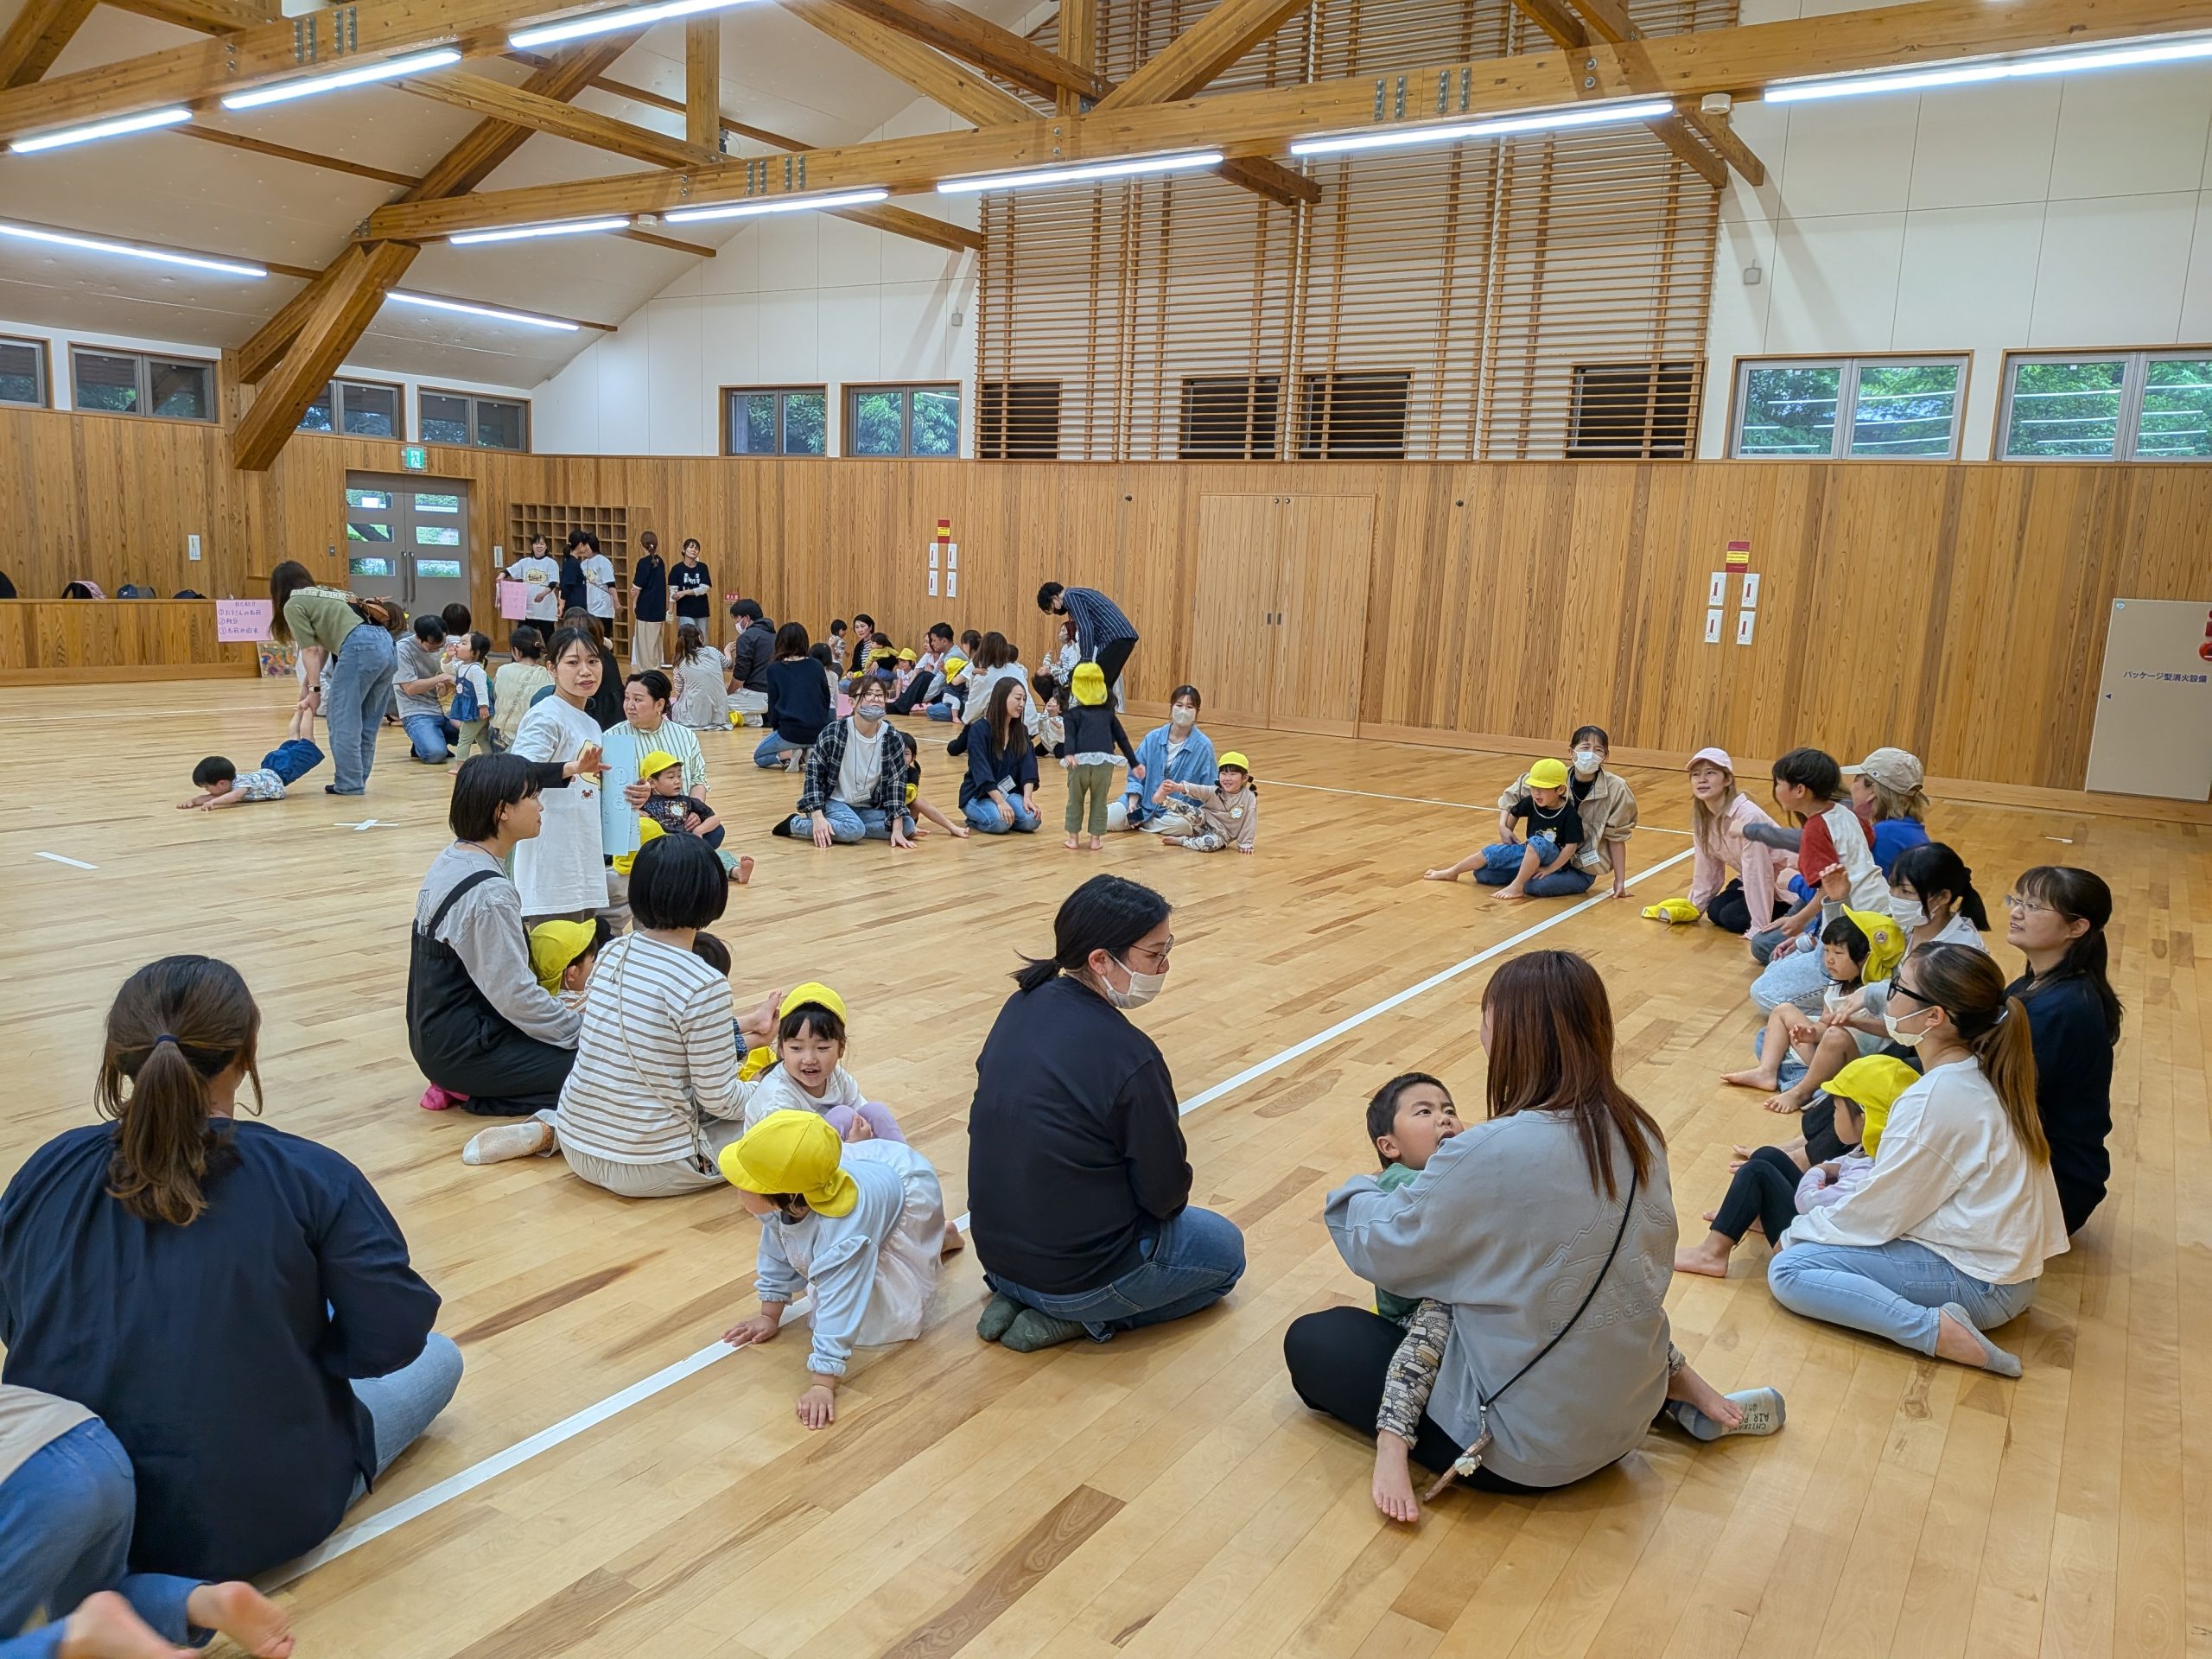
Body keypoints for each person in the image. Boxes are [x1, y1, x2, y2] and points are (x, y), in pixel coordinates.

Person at [0, 957, 460, 1582]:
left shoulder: (47, 1165)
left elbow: (15, 1318)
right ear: (246, 1053)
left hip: (67, 1513)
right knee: (441, 1356)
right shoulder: (313, 1176)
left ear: (119, 1056)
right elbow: (395, 1338)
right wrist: (291, 1359)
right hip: (253, 1520)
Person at [1283, 951, 1783, 1497]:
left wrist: (1358, 1189)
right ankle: (1674, 1399)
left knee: (1316, 1339)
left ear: (1512, 1037)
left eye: (1486, 1022)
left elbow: (1385, 1250)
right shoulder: (1641, 1131)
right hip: (1628, 1415)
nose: (1481, 1036)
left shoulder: (1487, 1151)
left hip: (1522, 1452)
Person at [1765, 944, 2069, 1376]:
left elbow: (1881, 1212)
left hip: (1983, 1286)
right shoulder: (1978, 1069)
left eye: (1897, 987)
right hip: (2006, 1278)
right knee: (1814, 1240)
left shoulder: (1937, 1097)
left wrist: (1798, 1233)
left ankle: (1935, 1330)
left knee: (1790, 1269)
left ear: (1934, 1017)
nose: (1886, 996)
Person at [969, 876, 1245, 1351]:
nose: (1165, 965)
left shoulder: (1020, 1005)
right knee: (1226, 1251)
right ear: (1100, 960)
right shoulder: (1130, 1056)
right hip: (1075, 1279)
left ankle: (1020, 1298)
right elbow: (1165, 1196)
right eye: (1155, 954)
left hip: (996, 1260)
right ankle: (1086, 1317)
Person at [454, 835, 779, 1185]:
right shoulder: (706, 982)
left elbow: (659, 1040)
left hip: (578, 1143)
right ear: (712, 896)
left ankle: (550, 1130)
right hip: (652, 1166)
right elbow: (721, 1100)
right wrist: (763, 1086)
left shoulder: (612, 952)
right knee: (782, 1109)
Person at [0, 1382, 296, 1658]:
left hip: (24, 1484)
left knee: (74, 1630)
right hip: (89, 1441)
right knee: (91, 1602)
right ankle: (205, 1604)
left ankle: (80, 1636)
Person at [720, 1112, 949, 1429]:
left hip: (904, 1188)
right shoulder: (784, 1202)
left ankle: (935, 1236)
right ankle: (939, 1238)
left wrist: (823, 1382)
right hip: (873, 1170)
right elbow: (778, 1249)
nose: (736, 1188)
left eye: (744, 1184)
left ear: (785, 1194)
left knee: (878, 1319)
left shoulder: (842, 1235)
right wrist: (769, 1314)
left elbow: (842, 1301)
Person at [411, 754, 596, 1116]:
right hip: (467, 1052)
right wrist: (584, 1033)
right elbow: (516, 997)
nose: (541, 806)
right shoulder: (489, 894)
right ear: (502, 811)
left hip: (436, 1039)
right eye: (532, 797)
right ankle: (474, 1092)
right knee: (605, 1071)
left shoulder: (454, 856)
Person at [1675, 1057, 1916, 1278]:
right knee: (1768, 1155)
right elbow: (1842, 1166)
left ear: (1864, 1119)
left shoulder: (1866, 1173)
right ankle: (1748, 1215)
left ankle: (1711, 1254)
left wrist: (1817, 1171)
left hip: (1809, 1244)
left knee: (1756, 1172)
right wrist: (1827, 1170)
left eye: (1836, 1110)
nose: (1833, 1117)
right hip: (1818, 1223)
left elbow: (1808, 1202)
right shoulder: (1875, 1151)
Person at [2004, 867, 2122, 1233]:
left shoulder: (2062, 1009)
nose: (2016, 912)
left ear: (2077, 927)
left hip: (2052, 1190)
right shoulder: (2034, 985)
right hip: (2036, 1171)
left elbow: (1995, 1093)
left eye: (2033, 906)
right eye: (2017, 900)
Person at [1749, 747, 1891, 1014]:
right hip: (1878, 912)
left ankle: (1842, 1011)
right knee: (1775, 963)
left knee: (1763, 994)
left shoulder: (1815, 829)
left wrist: (1799, 919)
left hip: (1853, 930)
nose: (1776, 790)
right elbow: (1868, 840)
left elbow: (1829, 891)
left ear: (1799, 790)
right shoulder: (1845, 812)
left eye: (1778, 783)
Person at [1720, 908, 1903, 1109]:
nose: (1829, 959)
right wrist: (1811, 1033)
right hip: (1824, 1057)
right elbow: (1824, 1024)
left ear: (1865, 958)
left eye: (1838, 953)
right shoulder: (1835, 985)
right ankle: (1767, 1072)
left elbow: (1893, 1032)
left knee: (1833, 1036)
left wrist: (1853, 1022)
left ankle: (1802, 1091)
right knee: (1782, 1012)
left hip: (1856, 1062)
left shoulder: (1878, 993)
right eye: (1827, 951)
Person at [267, 560, 401, 796]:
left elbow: (310, 650)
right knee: (368, 721)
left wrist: (315, 691)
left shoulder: (294, 603)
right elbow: (323, 648)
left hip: (359, 648)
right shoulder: (331, 593)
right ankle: (355, 780)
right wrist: (307, 689)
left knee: (342, 721)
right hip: (386, 646)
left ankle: (349, 783)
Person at [508, 626, 611, 924]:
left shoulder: (590, 722)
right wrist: (572, 768)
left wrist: (631, 792)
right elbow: (518, 772)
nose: (585, 671)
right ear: (552, 668)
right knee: (555, 947)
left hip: (583, 855)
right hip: (551, 862)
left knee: (583, 947)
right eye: (573, 662)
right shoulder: (546, 715)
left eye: (593, 661)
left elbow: (588, 783)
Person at [1647, 747, 1789, 933]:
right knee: (1715, 910)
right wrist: (1694, 908)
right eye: (1696, 774)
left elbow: (1759, 872)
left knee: (1733, 918)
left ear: (1727, 780)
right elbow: (1707, 869)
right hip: (1751, 879)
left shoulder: (1748, 817)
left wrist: (1759, 927)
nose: (1702, 779)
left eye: (1710, 773)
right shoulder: (1702, 819)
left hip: (1787, 883)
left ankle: (1797, 913)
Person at [1496, 728, 1637, 899]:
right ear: (1571, 752)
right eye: (1585, 748)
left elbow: (1617, 837)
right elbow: (1513, 795)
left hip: (1581, 868)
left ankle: (1522, 878)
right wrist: (1503, 827)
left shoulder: (1617, 788)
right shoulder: (1555, 776)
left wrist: (1620, 881)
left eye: (1598, 750)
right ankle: (1523, 874)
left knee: (1536, 886)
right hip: (1545, 855)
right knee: (1484, 874)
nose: (1591, 754)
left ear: (1605, 756)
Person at [1423, 758, 1586, 898]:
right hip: (1529, 851)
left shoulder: (1569, 814)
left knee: (1536, 842)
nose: (1537, 793)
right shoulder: (1531, 802)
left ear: (1560, 789)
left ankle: (1517, 886)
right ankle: (1453, 871)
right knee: (1484, 872)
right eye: (1534, 788)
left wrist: (1550, 869)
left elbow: (1571, 847)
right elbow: (1514, 812)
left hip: (1551, 856)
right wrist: (1507, 831)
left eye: (1543, 789)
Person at [788, 677, 912, 848]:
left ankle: (846, 828)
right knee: (854, 829)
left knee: (907, 825)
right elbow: (814, 778)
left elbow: (896, 784)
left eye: (880, 695)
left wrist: (897, 830)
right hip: (832, 802)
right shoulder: (834, 732)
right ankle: (795, 824)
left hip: (867, 807)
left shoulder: (893, 737)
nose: (875, 699)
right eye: (868, 694)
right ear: (852, 702)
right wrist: (817, 816)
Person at [1114, 685, 1217, 832]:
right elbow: (1135, 774)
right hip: (1143, 804)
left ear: (1197, 712)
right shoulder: (1153, 738)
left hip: (1174, 813)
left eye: (1189, 707)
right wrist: (1132, 804)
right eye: (1179, 705)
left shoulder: (1204, 747)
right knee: (1111, 819)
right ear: (1171, 707)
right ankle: (1141, 820)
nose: (1183, 711)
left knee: (1182, 826)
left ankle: (1144, 823)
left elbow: (1210, 788)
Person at [1058, 661, 1136, 851]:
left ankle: (1073, 839)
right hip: (1104, 762)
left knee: (1075, 800)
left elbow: (1070, 736)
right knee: (1100, 801)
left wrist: (1069, 754)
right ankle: (1095, 840)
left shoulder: (1072, 714)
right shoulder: (1108, 714)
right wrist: (1134, 763)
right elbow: (1122, 738)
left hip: (1078, 762)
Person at [177, 715, 324, 808]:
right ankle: (300, 711)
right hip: (273, 766)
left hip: (283, 769)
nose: (207, 791)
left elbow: (233, 797)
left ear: (222, 783)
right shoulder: (229, 785)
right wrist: (193, 801)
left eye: (207, 787)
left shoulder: (240, 787)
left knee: (307, 741)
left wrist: (213, 803)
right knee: (293, 739)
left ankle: (307, 710)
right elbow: (210, 797)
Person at [959, 679, 1042, 835]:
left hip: (1007, 792)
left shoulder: (1021, 731)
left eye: (1024, 699)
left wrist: (1027, 798)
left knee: (1032, 820)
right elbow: (981, 769)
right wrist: (1000, 802)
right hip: (978, 794)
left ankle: (1008, 816)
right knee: (1000, 822)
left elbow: (1029, 766)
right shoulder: (979, 729)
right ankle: (974, 820)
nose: (1022, 704)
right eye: (1018, 698)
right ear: (1002, 697)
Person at [1037, 580, 1139, 701]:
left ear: (1054, 598)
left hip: (1116, 638)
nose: (1055, 612)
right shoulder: (1076, 594)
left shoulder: (1070, 597)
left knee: (1097, 686)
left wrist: (1085, 660)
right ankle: (1105, 712)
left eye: (1052, 608)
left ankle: (1099, 713)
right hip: (1120, 637)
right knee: (1103, 687)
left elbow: (1086, 628)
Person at [756, 622, 830, 770]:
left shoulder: (774, 669)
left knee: (759, 757)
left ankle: (791, 754)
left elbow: (773, 704)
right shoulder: (816, 665)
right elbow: (825, 698)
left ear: (779, 642)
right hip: (817, 731)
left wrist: (776, 728)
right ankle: (808, 752)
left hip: (790, 731)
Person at [1153, 751, 1260, 854]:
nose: (1227, 778)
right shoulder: (1215, 790)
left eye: (1233, 774)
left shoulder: (1249, 797)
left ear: (1245, 778)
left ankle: (1183, 841)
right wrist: (1178, 787)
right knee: (1191, 812)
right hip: (1202, 822)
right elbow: (1199, 790)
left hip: (1221, 836)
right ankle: (1164, 800)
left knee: (1209, 844)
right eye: (1223, 774)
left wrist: (1245, 843)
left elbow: (1250, 821)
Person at [392, 613, 457, 764]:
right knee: (435, 755)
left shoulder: (452, 643)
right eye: (433, 646)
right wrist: (441, 678)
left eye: (442, 644)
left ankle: (430, 737)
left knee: (480, 731)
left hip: (448, 705)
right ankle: (426, 741)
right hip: (417, 709)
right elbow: (410, 688)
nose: (439, 648)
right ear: (419, 638)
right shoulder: (402, 649)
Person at [491, 626, 550, 750]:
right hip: (533, 738)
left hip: (503, 737)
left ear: (516, 651)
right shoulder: (547, 675)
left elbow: (495, 696)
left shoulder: (502, 670)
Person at [670, 621, 731, 730]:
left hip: (695, 717)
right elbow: (727, 664)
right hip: (721, 716)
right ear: (699, 637)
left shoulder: (680, 663)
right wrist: (728, 651)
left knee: (671, 709)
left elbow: (680, 691)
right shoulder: (713, 651)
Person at [448, 630, 494, 763]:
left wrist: (483, 706)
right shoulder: (462, 665)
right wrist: (448, 658)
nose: (458, 645)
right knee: (482, 738)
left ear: (474, 653)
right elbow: (448, 669)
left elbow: (481, 690)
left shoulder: (476, 670)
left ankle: (460, 766)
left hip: (475, 710)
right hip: (469, 708)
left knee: (464, 738)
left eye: (463, 643)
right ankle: (491, 763)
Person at [888, 622, 955, 715]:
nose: (932, 643)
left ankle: (901, 707)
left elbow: (938, 683)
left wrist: (922, 699)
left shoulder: (952, 656)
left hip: (948, 694)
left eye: (934, 641)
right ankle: (901, 705)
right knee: (924, 674)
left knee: (926, 676)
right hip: (937, 690)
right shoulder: (943, 654)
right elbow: (919, 671)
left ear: (944, 641)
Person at [727, 600, 775, 726]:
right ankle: (762, 716)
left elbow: (740, 676)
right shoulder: (775, 636)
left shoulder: (746, 637)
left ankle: (759, 717)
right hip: (776, 695)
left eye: (736, 619)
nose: (736, 623)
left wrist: (727, 693)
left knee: (715, 706)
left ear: (746, 618)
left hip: (755, 694)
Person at [629, 530, 668, 669]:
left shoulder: (644, 563)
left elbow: (636, 588)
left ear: (641, 545)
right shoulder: (660, 561)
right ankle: (655, 670)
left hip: (646, 610)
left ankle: (647, 672)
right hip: (659, 610)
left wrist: (634, 603)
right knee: (655, 645)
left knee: (645, 647)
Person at [571, 529, 616, 638]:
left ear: (593, 545)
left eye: (586, 545)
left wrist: (616, 602)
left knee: (603, 637)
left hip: (603, 607)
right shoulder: (583, 563)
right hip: (589, 607)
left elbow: (611, 584)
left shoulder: (603, 561)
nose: (584, 548)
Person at [508, 534, 560, 625]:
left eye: (542, 544)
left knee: (547, 633)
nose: (539, 546)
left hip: (546, 610)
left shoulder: (552, 563)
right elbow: (509, 571)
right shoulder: (524, 562)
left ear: (546, 546)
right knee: (524, 633)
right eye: (536, 544)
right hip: (527, 610)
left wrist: (543, 594)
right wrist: (501, 576)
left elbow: (553, 583)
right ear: (532, 546)